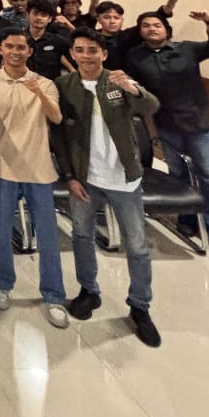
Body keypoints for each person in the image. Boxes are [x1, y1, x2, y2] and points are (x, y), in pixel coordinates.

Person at [56, 29, 161, 346]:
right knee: (82, 236)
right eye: (79, 50)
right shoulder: (64, 86)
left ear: (103, 53)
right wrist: (70, 176)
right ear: (72, 54)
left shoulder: (117, 80)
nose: (85, 56)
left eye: (92, 50)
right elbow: (59, 136)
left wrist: (133, 88)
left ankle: (140, 306)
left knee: (137, 245)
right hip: (85, 177)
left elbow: (151, 106)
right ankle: (88, 290)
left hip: (123, 177)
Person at [0, 28, 69, 328]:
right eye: (10, 46)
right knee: (1, 230)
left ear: (30, 51)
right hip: (4, 165)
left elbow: (56, 117)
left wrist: (38, 92)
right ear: (0, 49)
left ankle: (54, 295)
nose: (15, 52)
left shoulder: (45, 83)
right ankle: (2, 284)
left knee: (47, 234)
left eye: (21, 47)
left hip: (38, 168)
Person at [126, 8, 209, 247]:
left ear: (166, 30)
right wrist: (152, 132)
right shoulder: (135, 57)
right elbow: (140, 95)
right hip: (166, 125)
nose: (151, 28)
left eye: (156, 25)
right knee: (178, 174)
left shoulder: (187, 49)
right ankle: (187, 220)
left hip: (199, 123)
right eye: (146, 25)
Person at [26, 0, 74, 81]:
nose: (39, 18)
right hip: (23, 84)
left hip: (51, 85)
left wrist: (70, 26)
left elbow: (80, 45)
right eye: (35, 13)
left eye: (43, 15)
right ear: (28, 15)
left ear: (50, 19)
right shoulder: (18, 39)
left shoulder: (57, 40)